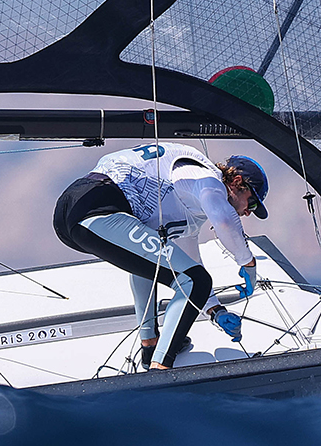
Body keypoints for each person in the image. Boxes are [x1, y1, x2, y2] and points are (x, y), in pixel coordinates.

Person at [53, 141, 268, 370]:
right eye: (252, 202)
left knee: (156, 265)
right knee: (196, 280)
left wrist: (215, 311)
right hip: (96, 204)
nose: (248, 212)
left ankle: (151, 345)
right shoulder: (204, 177)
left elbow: (189, 262)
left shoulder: (191, 209)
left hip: (76, 214)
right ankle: (160, 370)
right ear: (236, 182)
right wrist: (248, 261)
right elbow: (224, 221)